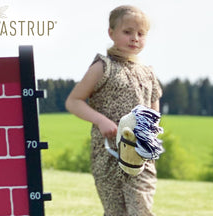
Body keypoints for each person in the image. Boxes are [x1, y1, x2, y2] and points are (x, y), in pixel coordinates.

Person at [65, 5, 162, 216]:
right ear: (112, 33)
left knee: (140, 211)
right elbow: (74, 101)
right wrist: (101, 121)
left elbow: (155, 117)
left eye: (140, 33)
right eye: (127, 32)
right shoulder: (103, 66)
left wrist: (147, 138)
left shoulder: (149, 74)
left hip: (139, 156)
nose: (134, 38)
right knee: (115, 212)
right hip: (107, 154)